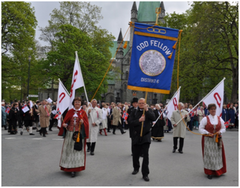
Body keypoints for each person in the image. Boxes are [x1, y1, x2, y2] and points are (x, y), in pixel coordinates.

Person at [58, 97, 89, 177]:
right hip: (70, 134)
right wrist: (65, 125)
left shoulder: (83, 112)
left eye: (79, 102)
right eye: (76, 102)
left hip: (78, 134)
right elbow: (66, 121)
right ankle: (67, 166)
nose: (77, 103)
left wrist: (83, 123)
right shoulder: (70, 112)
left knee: (76, 151)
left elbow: (86, 124)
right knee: (69, 150)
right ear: (73, 103)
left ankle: (75, 169)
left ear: (81, 103)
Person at [128, 98, 155, 182]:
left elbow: (153, 118)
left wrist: (147, 110)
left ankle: (145, 173)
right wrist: (139, 120)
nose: (141, 104)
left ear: (145, 104)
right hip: (136, 135)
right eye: (140, 103)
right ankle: (136, 168)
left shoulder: (148, 110)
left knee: (145, 155)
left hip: (146, 136)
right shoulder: (134, 112)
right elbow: (130, 122)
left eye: (143, 103)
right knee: (135, 154)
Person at [199, 103, 227, 179]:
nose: (213, 110)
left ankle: (218, 170)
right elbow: (200, 128)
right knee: (209, 155)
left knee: (217, 155)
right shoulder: (205, 119)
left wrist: (220, 132)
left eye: (214, 109)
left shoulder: (219, 118)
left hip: (217, 139)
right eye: (211, 109)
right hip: (208, 140)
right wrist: (208, 133)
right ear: (209, 110)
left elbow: (224, 128)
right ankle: (209, 172)